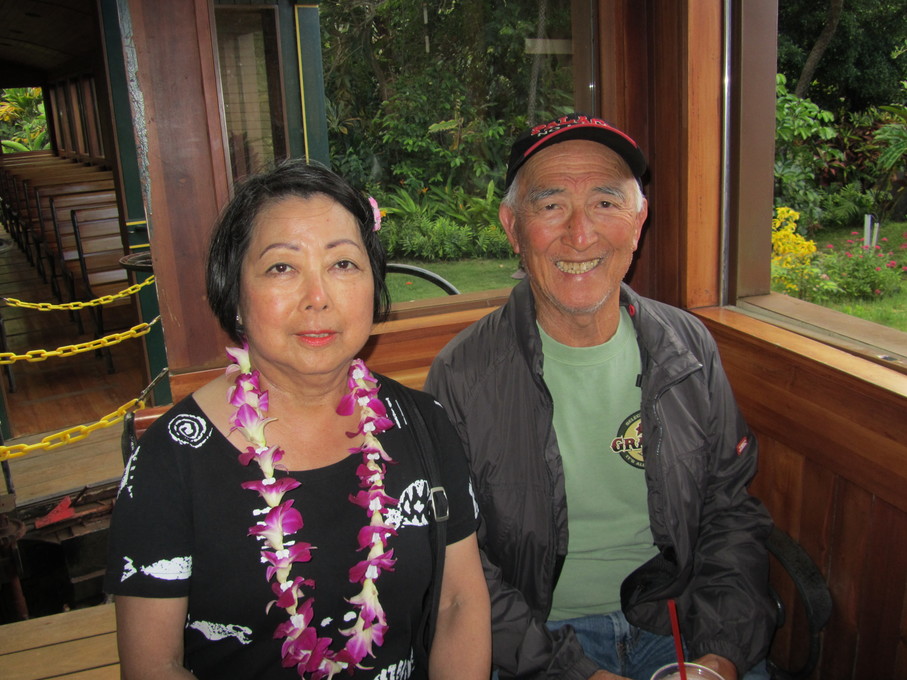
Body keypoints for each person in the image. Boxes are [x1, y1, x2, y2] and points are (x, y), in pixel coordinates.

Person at [105, 159, 490, 680]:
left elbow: (458, 604)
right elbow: (155, 666)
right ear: (235, 295)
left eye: (343, 265)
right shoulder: (171, 461)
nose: (318, 298)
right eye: (282, 267)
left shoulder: (424, 424)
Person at [424, 113, 774, 680]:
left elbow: (729, 513)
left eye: (607, 203)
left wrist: (721, 655)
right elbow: (461, 569)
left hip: (679, 624)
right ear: (513, 227)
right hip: (539, 643)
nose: (581, 234)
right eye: (552, 204)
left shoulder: (688, 349)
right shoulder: (461, 377)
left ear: (638, 223)